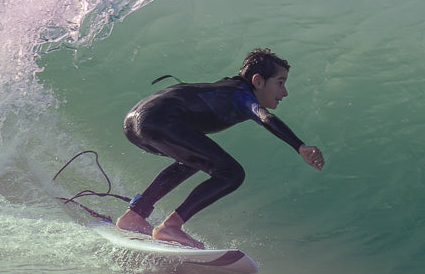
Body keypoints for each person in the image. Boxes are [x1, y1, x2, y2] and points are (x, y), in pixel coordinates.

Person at [115, 48, 324, 248]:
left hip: (134, 122)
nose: (285, 92)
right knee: (231, 173)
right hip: (157, 119)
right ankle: (170, 226)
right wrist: (299, 146)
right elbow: (265, 117)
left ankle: (134, 215)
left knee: (192, 161)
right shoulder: (242, 96)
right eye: (280, 83)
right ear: (258, 81)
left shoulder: (226, 88)